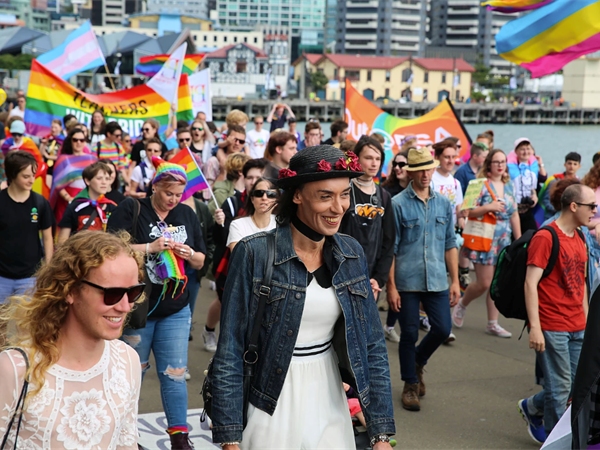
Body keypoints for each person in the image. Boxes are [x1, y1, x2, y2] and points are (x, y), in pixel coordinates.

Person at [210, 144, 396, 449]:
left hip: (329, 396)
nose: (339, 207)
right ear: (297, 195)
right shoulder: (254, 252)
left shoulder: (351, 253)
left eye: (345, 194)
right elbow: (230, 349)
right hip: (269, 399)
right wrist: (230, 438)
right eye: (325, 196)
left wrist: (380, 433)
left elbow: (371, 344)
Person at [0, 231, 143, 449]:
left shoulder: (128, 360)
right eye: (112, 294)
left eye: (133, 292)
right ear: (70, 291)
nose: (125, 307)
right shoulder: (14, 369)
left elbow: (127, 443)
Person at [107, 157, 206, 450]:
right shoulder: (132, 207)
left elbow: (201, 261)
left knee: (175, 375)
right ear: (155, 187)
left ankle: (180, 437)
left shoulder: (186, 214)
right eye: (168, 194)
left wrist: (189, 254)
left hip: (176, 308)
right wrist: (149, 248)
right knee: (132, 375)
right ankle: (126, 436)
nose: (173, 200)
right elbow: (110, 248)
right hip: (138, 307)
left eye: (178, 194)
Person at [518, 184, 593, 444]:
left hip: (578, 324)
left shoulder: (581, 236)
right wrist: (535, 327)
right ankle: (557, 442)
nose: (594, 211)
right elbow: (530, 283)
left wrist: (587, 322)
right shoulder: (546, 237)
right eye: (591, 206)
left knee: (575, 386)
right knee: (560, 388)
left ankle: (532, 406)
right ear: (574, 206)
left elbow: (581, 283)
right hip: (552, 324)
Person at [390, 147, 460, 412]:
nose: (425, 175)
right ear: (410, 172)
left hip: (437, 279)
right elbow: (392, 249)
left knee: (442, 328)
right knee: (408, 332)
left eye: (428, 169)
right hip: (407, 280)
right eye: (419, 170)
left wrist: (455, 281)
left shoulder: (443, 203)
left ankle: (418, 361)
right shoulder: (397, 204)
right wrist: (392, 287)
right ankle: (409, 383)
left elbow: (450, 243)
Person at [452, 149, 521, 337]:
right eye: (496, 161)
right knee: (484, 283)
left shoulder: (509, 186)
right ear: (489, 164)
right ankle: (462, 304)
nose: (500, 165)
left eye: (503, 161)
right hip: (484, 238)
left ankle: (492, 323)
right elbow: (465, 211)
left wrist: (519, 240)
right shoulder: (479, 185)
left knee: (496, 283)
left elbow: (514, 214)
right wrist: (487, 207)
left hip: (502, 239)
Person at [202, 158, 267, 352]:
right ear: (243, 178)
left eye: (258, 177)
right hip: (230, 264)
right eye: (250, 177)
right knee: (226, 304)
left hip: (261, 266)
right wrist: (221, 223)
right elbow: (221, 238)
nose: (254, 181)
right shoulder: (232, 202)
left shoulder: (270, 202)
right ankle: (210, 330)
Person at [339, 135, 395, 317]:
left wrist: (378, 279)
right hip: (342, 276)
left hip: (372, 281)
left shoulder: (384, 197)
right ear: (356, 159)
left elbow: (388, 243)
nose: (374, 163)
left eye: (378, 158)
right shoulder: (343, 191)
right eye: (368, 157)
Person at [0, 151, 53, 306]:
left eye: (33, 175)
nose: (32, 180)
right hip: (2, 275)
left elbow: (48, 237)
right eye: (26, 176)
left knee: (24, 324)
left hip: (30, 277)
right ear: (12, 175)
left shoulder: (40, 203)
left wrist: (48, 267)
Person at [57, 161, 117, 244]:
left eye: (107, 179)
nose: (104, 182)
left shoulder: (112, 207)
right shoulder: (75, 207)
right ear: (87, 181)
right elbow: (62, 240)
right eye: (99, 178)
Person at [51, 128, 97, 223]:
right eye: (75, 140)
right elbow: (58, 184)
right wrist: (69, 199)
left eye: (82, 140)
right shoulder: (63, 159)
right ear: (70, 141)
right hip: (67, 200)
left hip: (88, 198)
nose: (78, 143)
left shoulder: (92, 159)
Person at [226, 177, 278, 251]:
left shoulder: (282, 225)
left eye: (271, 194)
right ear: (252, 199)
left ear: (277, 199)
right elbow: (239, 257)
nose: (264, 198)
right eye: (259, 193)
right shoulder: (238, 225)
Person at [508, 138, 542, 233]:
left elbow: (533, 187)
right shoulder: (509, 167)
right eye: (522, 149)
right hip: (513, 210)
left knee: (532, 236)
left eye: (528, 148)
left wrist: (534, 196)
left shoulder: (533, 166)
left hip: (527, 209)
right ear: (516, 151)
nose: (526, 151)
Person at [540, 152, 582, 219]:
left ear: (579, 166)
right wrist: (558, 210)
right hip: (553, 215)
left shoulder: (579, 183)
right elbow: (546, 200)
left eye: (575, 164)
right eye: (569, 163)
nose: (572, 166)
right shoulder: (555, 180)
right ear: (565, 164)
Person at [97, 121, 129, 186]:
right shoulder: (97, 147)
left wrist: (127, 182)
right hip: (101, 181)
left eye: (120, 135)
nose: (119, 138)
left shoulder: (119, 147)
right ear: (108, 134)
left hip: (115, 181)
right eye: (117, 135)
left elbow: (121, 167)